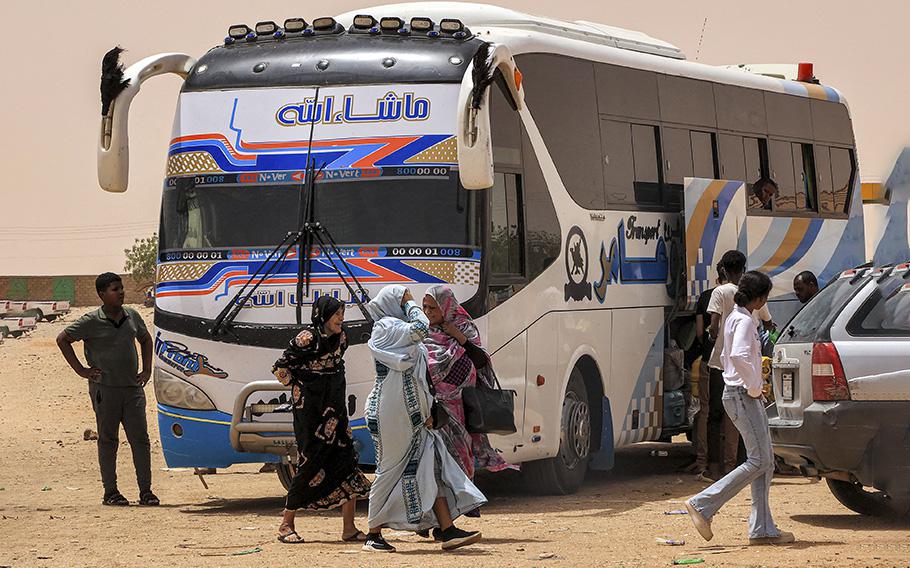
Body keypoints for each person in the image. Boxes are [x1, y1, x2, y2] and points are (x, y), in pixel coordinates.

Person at [363, 285, 486, 553]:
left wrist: (429, 410)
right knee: (388, 471)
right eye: (405, 299)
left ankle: (447, 530)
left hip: (414, 415)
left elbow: (421, 378)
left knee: (432, 465)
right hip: (391, 414)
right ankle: (372, 534)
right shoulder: (385, 327)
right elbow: (420, 327)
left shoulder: (400, 330)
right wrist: (409, 303)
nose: (415, 305)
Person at [685, 271, 795, 546]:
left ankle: (762, 527)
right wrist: (755, 386)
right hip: (743, 395)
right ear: (759, 298)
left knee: (765, 461)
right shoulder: (745, 321)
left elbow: (727, 355)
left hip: (737, 393)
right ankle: (704, 504)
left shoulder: (735, 318)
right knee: (759, 460)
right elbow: (738, 356)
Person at [271, 295, 371, 544]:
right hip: (310, 414)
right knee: (310, 463)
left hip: (336, 411)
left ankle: (349, 528)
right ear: (323, 315)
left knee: (346, 461)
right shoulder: (306, 339)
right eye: (337, 314)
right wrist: (303, 389)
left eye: (342, 314)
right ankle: (286, 524)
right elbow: (281, 368)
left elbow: (337, 367)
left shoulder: (342, 338)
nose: (341, 319)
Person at [56, 273, 158, 507]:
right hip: (105, 390)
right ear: (102, 294)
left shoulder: (131, 315)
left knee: (140, 439)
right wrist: (81, 370)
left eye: (121, 288)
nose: (120, 292)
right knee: (108, 440)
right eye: (114, 289)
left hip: (132, 389)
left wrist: (146, 370)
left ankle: (146, 491)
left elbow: (145, 339)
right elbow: (63, 339)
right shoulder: (90, 320)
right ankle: (110, 492)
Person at [421, 286, 516, 531]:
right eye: (425, 307)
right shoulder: (423, 333)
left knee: (460, 462)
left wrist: (457, 336)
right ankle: (442, 524)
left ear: (446, 306)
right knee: (437, 465)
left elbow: (482, 361)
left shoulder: (464, 327)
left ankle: (449, 520)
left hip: (460, 410)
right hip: (435, 410)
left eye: (433, 307)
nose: (428, 312)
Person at [706, 251, 773, 477]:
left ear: (723, 269)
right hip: (743, 383)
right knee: (754, 443)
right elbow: (767, 323)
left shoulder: (723, 296)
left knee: (716, 418)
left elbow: (713, 328)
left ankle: (716, 467)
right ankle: (735, 469)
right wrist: (754, 384)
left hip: (721, 368)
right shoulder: (747, 314)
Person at [682, 269, 728, 477]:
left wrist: (707, 348)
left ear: (718, 276)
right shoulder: (742, 294)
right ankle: (730, 463)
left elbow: (701, 332)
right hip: (733, 364)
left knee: (706, 410)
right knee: (731, 413)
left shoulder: (707, 297)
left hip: (710, 361)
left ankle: (703, 460)